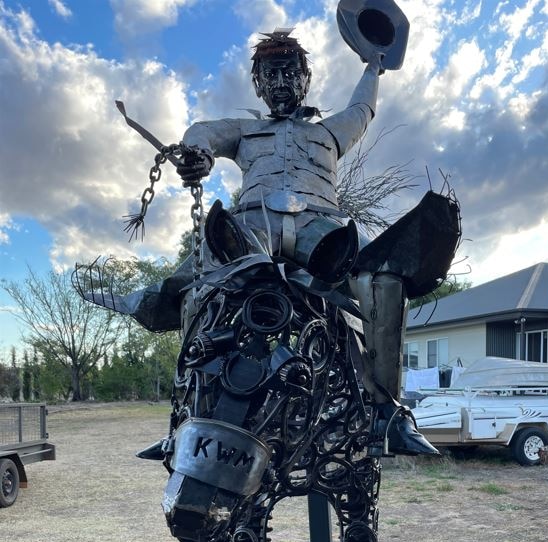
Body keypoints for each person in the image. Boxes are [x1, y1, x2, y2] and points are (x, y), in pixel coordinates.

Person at [176, 29, 439, 455]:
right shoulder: (243, 131)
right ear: (258, 85)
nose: (280, 83)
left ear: (305, 78)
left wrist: (374, 64)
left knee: (383, 274)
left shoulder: (331, 134)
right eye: (270, 75)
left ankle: (385, 411)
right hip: (254, 225)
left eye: (288, 73)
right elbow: (204, 129)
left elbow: (363, 108)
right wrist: (196, 153)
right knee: (203, 278)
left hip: (323, 229)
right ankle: (192, 409)